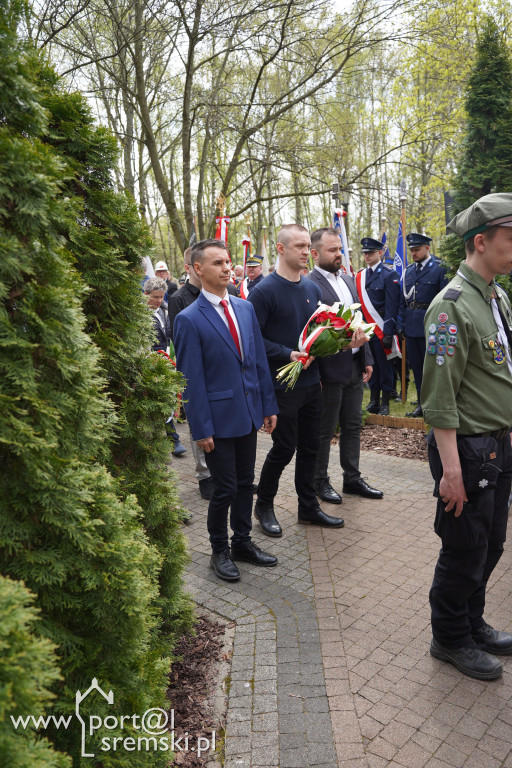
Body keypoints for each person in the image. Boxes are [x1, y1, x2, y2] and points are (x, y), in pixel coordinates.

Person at [422, 192, 512, 680]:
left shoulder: (495, 295)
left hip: (497, 444)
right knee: (464, 546)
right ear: (481, 241)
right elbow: (439, 399)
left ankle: (472, 623)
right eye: (510, 238)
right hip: (468, 450)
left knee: (491, 542)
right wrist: (451, 471)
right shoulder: (450, 307)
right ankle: (450, 637)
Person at [174, 238, 278, 581]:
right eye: (217, 263)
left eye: (228, 261)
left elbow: (258, 361)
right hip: (217, 422)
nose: (227, 267)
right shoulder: (189, 319)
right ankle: (219, 550)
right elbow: (191, 379)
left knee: (246, 483)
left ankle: (242, 542)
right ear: (198, 268)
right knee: (225, 489)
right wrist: (200, 428)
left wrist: (267, 405)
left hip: (248, 413)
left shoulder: (245, 309)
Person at [248, 224, 344, 536]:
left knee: (311, 448)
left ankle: (308, 508)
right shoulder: (264, 292)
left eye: (307, 246)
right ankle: (264, 504)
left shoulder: (312, 289)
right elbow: (253, 340)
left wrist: (339, 341)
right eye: (299, 246)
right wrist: (287, 354)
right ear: (281, 248)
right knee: (284, 448)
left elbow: (316, 334)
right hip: (282, 386)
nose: (306, 252)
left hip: (311, 384)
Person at [308, 228, 383, 503]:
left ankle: (352, 479)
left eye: (339, 248)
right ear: (315, 254)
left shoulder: (349, 280)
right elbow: (310, 332)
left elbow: (359, 321)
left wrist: (367, 358)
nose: (338, 254)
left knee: (352, 425)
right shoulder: (310, 284)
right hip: (328, 371)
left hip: (354, 366)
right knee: (325, 430)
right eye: (332, 250)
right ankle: (319, 481)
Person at [169, 248, 236, 499]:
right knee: (200, 423)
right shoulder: (179, 298)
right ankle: (205, 475)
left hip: (226, 370)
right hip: (200, 370)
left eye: (225, 262)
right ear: (192, 267)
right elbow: (180, 339)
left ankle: (232, 474)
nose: (223, 268)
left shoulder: (229, 291)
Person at [398, 233, 447, 417]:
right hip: (411, 326)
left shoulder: (440, 268)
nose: (413, 253)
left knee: (433, 368)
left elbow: (445, 301)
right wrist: (400, 323)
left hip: (432, 326)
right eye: (411, 250)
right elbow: (403, 301)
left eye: (417, 250)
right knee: (417, 367)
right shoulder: (409, 271)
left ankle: (435, 404)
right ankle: (421, 403)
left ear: (427, 248)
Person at [355, 238, 401, 415]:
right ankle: (374, 400)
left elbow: (392, 306)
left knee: (385, 366)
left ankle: (385, 402)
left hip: (381, 329)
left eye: (371, 252)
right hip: (366, 330)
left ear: (380, 253)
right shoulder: (360, 276)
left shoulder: (389, 275)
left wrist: (388, 332)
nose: (367, 256)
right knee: (370, 365)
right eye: (365, 253)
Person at [143, 277, 186, 457]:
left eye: (162, 297)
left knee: (168, 399)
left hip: (168, 362)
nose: (159, 300)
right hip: (150, 363)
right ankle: (167, 440)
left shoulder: (166, 311)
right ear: (146, 294)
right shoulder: (140, 315)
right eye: (155, 297)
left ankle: (172, 439)